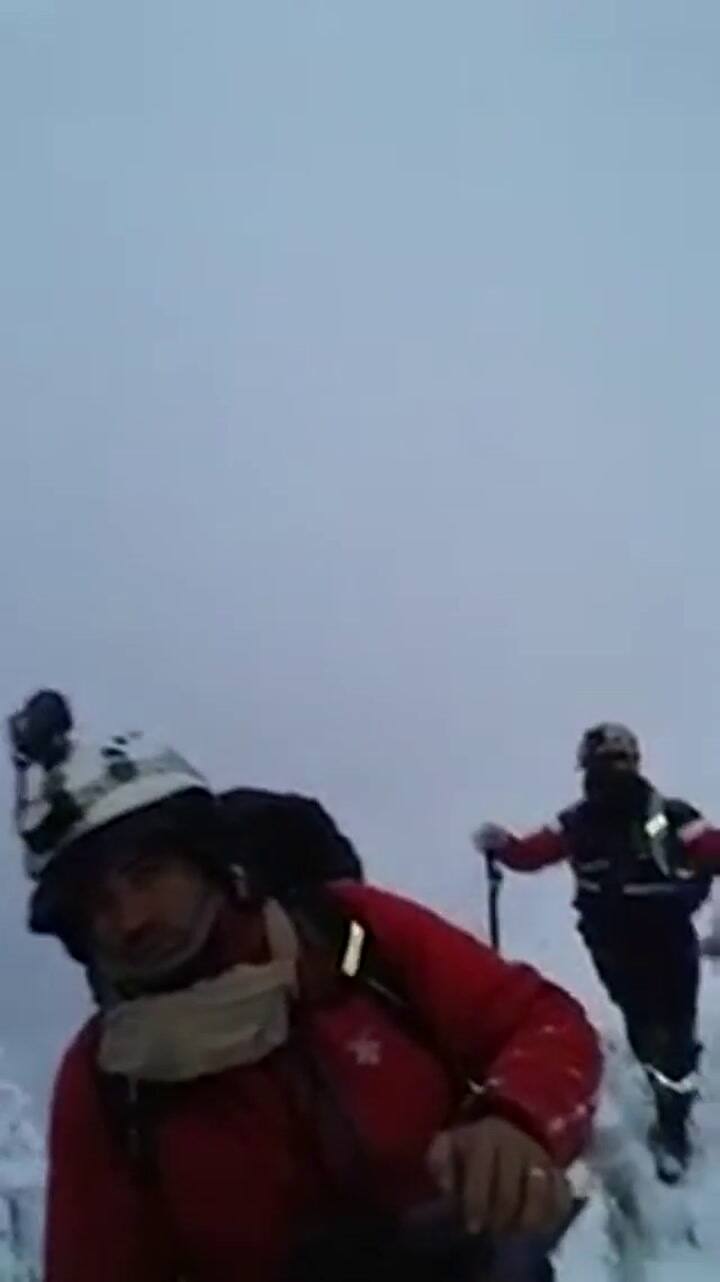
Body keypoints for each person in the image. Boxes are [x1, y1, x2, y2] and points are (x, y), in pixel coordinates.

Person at [9, 691, 600, 1282]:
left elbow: (542, 1022)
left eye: (147, 874)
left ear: (206, 860)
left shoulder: (349, 933)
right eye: (95, 903)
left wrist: (515, 1120)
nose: (130, 918)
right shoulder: (105, 1083)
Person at [474, 721, 720, 1183]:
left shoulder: (638, 818)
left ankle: (672, 1118)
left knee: (659, 1030)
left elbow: (531, 853)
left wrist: (503, 847)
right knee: (661, 1029)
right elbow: (531, 853)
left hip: (635, 944)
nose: (613, 772)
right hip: (641, 945)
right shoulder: (623, 819)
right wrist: (504, 847)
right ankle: (671, 1110)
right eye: (609, 763)